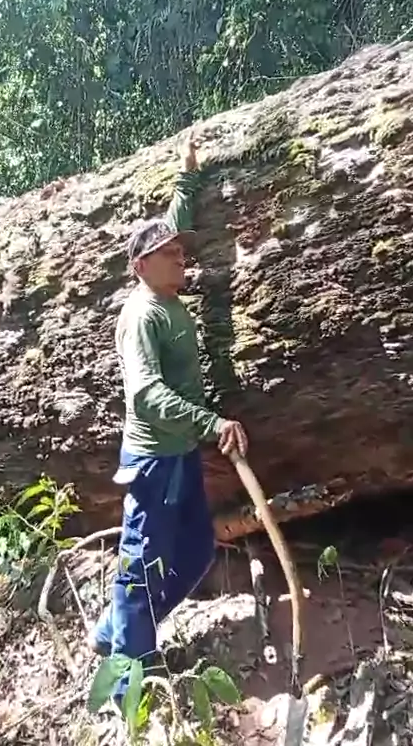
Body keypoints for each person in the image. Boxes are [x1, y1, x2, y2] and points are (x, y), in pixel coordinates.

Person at [92, 134, 248, 701]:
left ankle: (116, 631)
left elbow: (173, 224)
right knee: (141, 566)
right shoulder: (142, 316)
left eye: (181, 252)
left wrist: (188, 173)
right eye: (169, 254)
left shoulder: (165, 288)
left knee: (197, 550)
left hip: (180, 454)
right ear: (141, 266)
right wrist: (212, 424)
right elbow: (145, 395)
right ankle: (127, 681)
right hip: (153, 461)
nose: (181, 257)